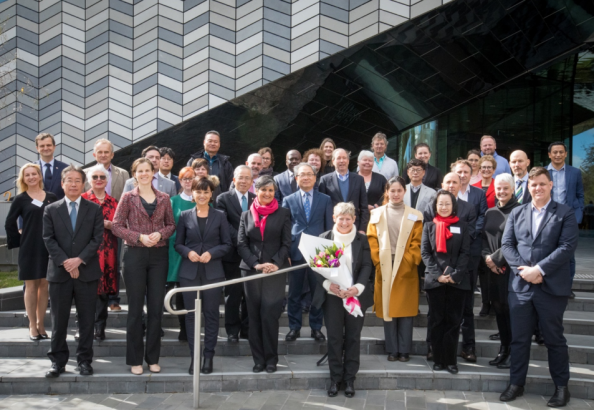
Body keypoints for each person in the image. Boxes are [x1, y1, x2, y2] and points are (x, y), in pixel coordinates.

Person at [500, 167, 578, 407]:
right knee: (519, 339)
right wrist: (526, 271)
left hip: (551, 288)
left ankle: (561, 388)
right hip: (521, 287)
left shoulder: (564, 213)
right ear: (528, 187)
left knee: (554, 339)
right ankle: (516, 384)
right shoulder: (517, 212)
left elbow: (566, 247)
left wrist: (539, 270)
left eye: (542, 184)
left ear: (551, 185)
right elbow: (507, 245)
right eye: (533, 185)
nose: (538, 188)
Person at [112, 158, 176, 375]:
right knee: (136, 309)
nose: (144, 174)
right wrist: (138, 237)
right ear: (134, 174)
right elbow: (116, 226)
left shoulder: (164, 198)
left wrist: (161, 233)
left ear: (153, 172)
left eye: (147, 170)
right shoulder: (128, 197)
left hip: (159, 256)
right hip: (135, 256)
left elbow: (171, 225)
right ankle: (135, 359)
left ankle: (153, 358)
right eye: (140, 171)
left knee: (156, 308)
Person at [42, 165, 104, 378]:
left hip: (87, 272)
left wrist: (79, 260)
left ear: (83, 184)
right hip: (59, 274)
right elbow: (48, 239)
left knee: (87, 320)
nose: (74, 184)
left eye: (78, 180)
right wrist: (66, 262)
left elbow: (97, 239)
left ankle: (84, 361)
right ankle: (57, 362)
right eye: (69, 180)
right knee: (59, 321)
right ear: (62, 183)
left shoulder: (94, 209)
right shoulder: (51, 209)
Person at [312, 202, 373, 398]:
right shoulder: (325, 239)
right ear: (334, 218)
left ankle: (349, 380)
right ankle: (335, 378)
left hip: (354, 296)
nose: (344, 222)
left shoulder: (361, 240)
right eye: (341, 218)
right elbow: (317, 269)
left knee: (353, 338)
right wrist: (329, 285)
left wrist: (358, 288)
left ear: (354, 219)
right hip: (333, 297)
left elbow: (366, 267)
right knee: (335, 338)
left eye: (348, 218)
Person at [175, 177, 232, 375]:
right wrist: (188, 252)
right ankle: (195, 358)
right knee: (191, 316)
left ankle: (208, 357)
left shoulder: (220, 216)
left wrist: (212, 253)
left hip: (213, 272)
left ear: (211, 194)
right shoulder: (184, 215)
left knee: (211, 315)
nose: (202, 195)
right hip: (189, 272)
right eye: (198, 191)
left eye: (206, 192)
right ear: (193, 193)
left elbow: (227, 244)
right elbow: (178, 244)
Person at [236, 175, 292, 374]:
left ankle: (271, 360)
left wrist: (275, 263)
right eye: (264, 190)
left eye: (271, 190)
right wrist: (256, 264)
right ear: (256, 191)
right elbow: (241, 244)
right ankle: (258, 359)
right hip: (251, 271)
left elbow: (287, 243)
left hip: (275, 271)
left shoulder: (284, 213)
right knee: (253, 316)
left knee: (269, 315)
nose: (268, 193)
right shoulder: (245, 215)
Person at [422, 173, 477, 361]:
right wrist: (438, 275)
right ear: (435, 206)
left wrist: (455, 274)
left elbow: (465, 253)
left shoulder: (462, 226)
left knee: (454, 322)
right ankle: (438, 358)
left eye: (447, 204)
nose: (444, 207)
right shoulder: (429, 226)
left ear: (453, 206)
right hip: (435, 281)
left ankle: (450, 360)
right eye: (440, 204)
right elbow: (425, 254)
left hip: (457, 281)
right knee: (436, 321)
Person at [368, 177, 423, 362]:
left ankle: (404, 350)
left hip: (406, 267)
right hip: (384, 265)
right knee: (388, 309)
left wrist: (408, 262)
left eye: (399, 190)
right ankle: (392, 349)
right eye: (392, 190)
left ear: (404, 192)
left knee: (405, 310)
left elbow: (417, 243)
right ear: (386, 192)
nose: (396, 194)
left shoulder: (415, 215)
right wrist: (378, 261)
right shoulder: (376, 214)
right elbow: (372, 240)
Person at [5, 164, 58, 340]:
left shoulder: (51, 197)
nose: (31, 177)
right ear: (23, 178)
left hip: (48, 247)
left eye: (34, 174)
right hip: (29, 247)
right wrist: (19, 240)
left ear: (39, 176)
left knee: (44, 286)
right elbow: (9, 223)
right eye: (27, 175)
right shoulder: (20, 199)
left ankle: (41, 324)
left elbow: (59, 221)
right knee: (31, 286)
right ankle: (31, 325)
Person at [282, 163, 333, 342]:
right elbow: (285, 228)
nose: (306, 177)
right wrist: (286, 251)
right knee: (294, 293)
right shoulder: (288, 199)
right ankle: (294, 327)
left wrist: (329, 254)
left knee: (317, 292)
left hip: (319, 251)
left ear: (314, 177)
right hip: (296, 251)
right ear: (296, 178)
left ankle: (316, 327)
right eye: (302, 175)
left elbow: (329, 227)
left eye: (309, 174)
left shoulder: (325, 199)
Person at [85, 138, 130, 312]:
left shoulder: (123, 174)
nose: (103, 155)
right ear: (94, 154)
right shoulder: (86, 172)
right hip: (90, 228)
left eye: (107, 152)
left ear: (112, 154)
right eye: (100, 152)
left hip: (114, 226)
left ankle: (113, 299)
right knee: (93, 263)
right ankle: (92, 296)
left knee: (114, 262)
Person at [481, 173, 520, 370]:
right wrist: (487, 259)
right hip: (492, 271)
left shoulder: (521, 211)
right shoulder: (490, 212)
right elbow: (482, 239)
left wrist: (495, 259)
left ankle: (514, 352)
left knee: (511, 313)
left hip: (510, 270)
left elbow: (516, 242)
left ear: (513, 189)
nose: (502, 192)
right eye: (499, 188)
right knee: (499, 311)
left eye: (506, 188)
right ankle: (503, 349)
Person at [452, 159, 487, 361]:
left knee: (467, 304)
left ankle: (469, 346)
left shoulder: (478, 194)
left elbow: (481, 219)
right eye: (459, 172)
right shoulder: (445, 197)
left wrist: (465, 240)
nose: (463, 175)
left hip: (470, 255)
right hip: (448, 256)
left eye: (466, 172)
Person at [216, 166, 255, 342]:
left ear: (252, 181)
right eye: (241, 178)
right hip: (232, 255)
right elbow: (224, 224)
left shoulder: (256, 199)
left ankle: (247, 328)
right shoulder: (223, 198)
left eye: (248, 178)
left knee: (250, 295)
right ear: (234, 179)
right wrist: (241, 242)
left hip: (252, 256)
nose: (244, 181)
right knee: (232, 295)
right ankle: (232, 330)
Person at [81, 165, 119, 342]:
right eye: (95, 177)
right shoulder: (82, 200)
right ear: (89, 180)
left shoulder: (114, 202)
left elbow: (121, 227)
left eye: (102, 177)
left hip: (108, 253)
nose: (98, 180)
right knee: (85, 291)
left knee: (104, 292)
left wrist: (112, 226)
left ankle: (100, 327)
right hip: (87, 252)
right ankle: (83, 326)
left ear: (107, 181)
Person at [547, 141, 584, 298]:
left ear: (566, 154)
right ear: (549, 154)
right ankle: (548, 286)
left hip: (569, 218)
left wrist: (578, 215)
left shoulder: (575, 172)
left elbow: (580, 195)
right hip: (548, 217)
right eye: (554, 152)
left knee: (568, 254)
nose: (557, 155)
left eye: (561, 152)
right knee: (547, 252)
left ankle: (567, 288)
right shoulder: (543, 172)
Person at [166, 167, 197, 342]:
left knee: (195, 292)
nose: (188, 182)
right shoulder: (173, 202)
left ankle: (194, 327)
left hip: (197, 253)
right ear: (180, 181)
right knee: (180, 291)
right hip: (177, 252)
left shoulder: (203, 200)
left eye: (191, 178)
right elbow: (169, 227)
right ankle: (183, 328)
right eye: (184, 178)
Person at [319, 148, 369, 233]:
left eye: (344, 158)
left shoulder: (359, 180)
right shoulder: (325, 180)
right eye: (338, 158)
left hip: (354, 228)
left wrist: (362, 229)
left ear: (348, 161)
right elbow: (321, 208)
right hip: (333, 228)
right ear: (333, 161)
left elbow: (364, 207)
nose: (342, 161)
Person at [34, 133, 68, 199]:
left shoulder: (65, 168)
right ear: (37, 148)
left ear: (54, 147)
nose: (46, 148)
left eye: (48, 145)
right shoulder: (31, 169)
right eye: (42, 146)